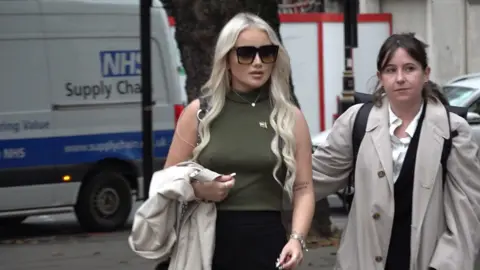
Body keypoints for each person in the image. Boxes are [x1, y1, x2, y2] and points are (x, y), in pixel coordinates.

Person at [312, 33, 480, 270]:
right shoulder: (357, 121)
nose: (400, 78)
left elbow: (467, 217)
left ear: (426, 73)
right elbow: (312, 179)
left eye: (409, 68)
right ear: (380, 77)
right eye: (391, 70)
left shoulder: (453, 131)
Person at [164, 12, 315, 270]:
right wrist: (199, 190)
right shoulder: (199, 113)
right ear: (227, 59)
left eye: (267, 53)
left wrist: (297, 239)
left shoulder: (290, 117)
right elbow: (167, 180)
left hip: (267, 241)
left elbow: (303, 188)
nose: (258, 62)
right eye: (246, 53)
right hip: (206, 238)